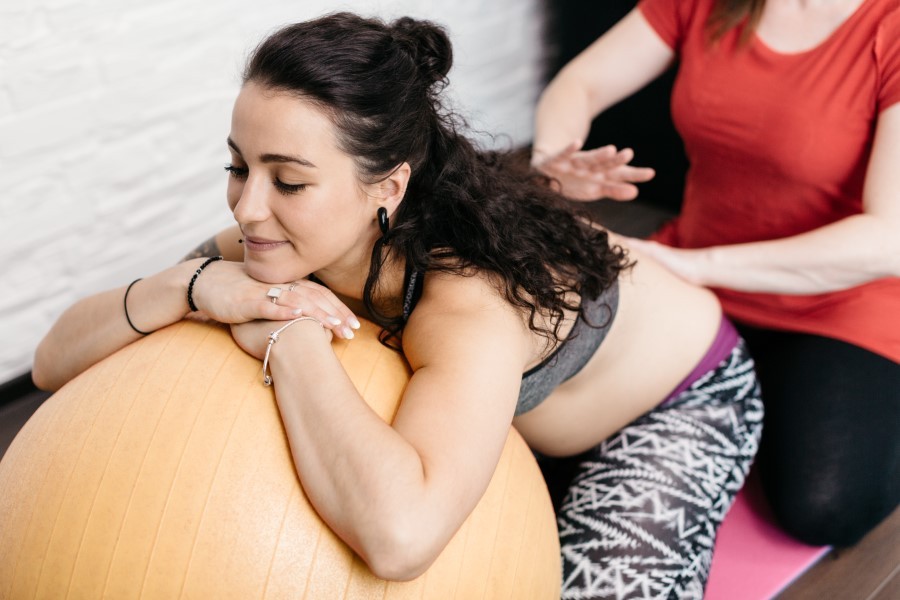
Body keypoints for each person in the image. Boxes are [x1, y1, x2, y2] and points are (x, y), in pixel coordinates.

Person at [33, 12, 763, 598]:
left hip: (681, 402)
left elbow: (399, 540)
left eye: (288, 182)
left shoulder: (467, 303)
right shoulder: (275, 237)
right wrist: (191, 286)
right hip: (518, 424)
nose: (249, 207)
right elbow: (51, 363)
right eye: (237, 166)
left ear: (387, 187)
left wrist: (291, 341)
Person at [532, 0, 900, 548]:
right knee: (549, 455)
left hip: (838, 299)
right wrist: (554, 158)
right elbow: (580, 83)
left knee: (824, 506)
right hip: (693, 276)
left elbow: (887, 239)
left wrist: (694, 265)